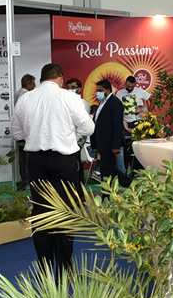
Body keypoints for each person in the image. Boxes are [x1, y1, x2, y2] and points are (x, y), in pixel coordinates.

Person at [11, 62, 93, 278]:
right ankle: (65, 268)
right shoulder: (70, 97)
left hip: (36, 161)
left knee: (40, 212)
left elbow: (16, 134)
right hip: (64, 161)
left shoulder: (25, 99)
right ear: (61, 79)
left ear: (40, 80)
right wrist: (71, 136)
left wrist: (36, 133)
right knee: (65, 211)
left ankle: (44, 268)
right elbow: (88, 128)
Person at [92, 79, 130, 188]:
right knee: (110, 169)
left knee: (107, 169)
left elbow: (117, 125)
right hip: (102, 143)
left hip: (109, 143)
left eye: (100, 90)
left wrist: (116, 146)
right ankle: (129, 185)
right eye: (97, 90)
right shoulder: (102, 103)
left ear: (108, 90)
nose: (97, 93)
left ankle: (108, 193)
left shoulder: (115, 103)